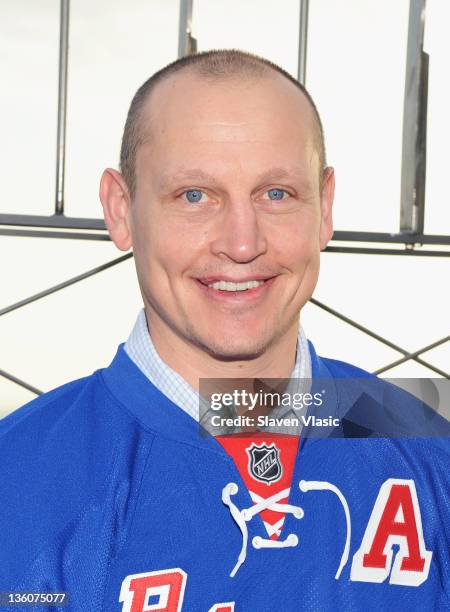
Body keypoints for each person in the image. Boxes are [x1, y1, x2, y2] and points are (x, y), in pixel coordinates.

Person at [0, 49, 449, 612]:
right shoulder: (14, 482)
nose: (242, 243)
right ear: (120, 209)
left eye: (276, 194)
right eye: (194, 196)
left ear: (325, 207)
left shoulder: (429, 449)